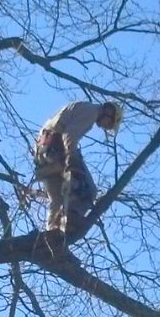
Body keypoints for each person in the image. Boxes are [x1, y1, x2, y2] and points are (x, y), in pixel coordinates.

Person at [32, 99, 122, 231]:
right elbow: (70, 136)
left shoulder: (82, 107)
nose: (106, 127)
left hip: (43, 152)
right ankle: (71, 217)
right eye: (109, 124)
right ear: (108, 112)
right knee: (89, 191)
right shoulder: (91, 111)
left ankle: (53, 232)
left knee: (57, 198)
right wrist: (72, 158)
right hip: (57, 150)